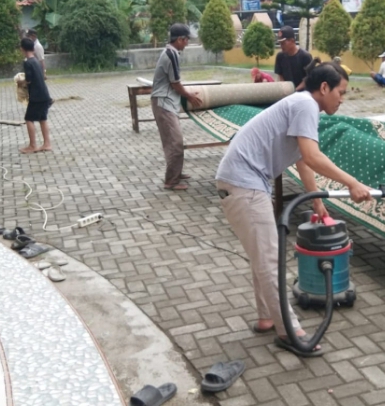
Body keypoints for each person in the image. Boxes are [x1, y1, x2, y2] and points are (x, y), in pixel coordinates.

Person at [215, 61, 372, 357]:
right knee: (270, 259)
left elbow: (303, 160)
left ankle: (267, 317)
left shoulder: (300, 105)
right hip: (244, 184)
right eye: (341, 91)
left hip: (240, 183)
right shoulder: (305, 105)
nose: (342, 98)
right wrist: (352, 183)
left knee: (262, 256)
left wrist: (317, 203)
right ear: (324, 88)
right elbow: (313, 156)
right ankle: (289, 331)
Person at [151, 23, 203, 191]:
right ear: (180, 39)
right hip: (163, 102)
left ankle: (176, 172)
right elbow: (175, 84)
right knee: (175, 141)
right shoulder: (171, 55)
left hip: (166, 102)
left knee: (171, 140)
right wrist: (189, 96)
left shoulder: (171, 53)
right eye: (187, 39)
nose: (187, 43)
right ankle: (171, 181)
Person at [17, 37, 53, 154]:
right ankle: (47, 144)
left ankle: (33, 145)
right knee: (43, 119)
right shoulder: (37, 61)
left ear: (22, 49)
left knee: (29, 119)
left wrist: (20, 82)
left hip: (36, 96)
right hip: (45, 95)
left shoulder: (27, 62)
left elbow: (29, 80)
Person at [274, 26, 312, 91]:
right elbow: (281, 76)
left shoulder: (305, 56)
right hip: (287, 93)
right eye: (280, 43)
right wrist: (285, 89)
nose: (281, 46)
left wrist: (295, 90)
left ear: (292, 41)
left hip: (303, 93)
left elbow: (309, 79)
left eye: (283, 43)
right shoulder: (280, 56)